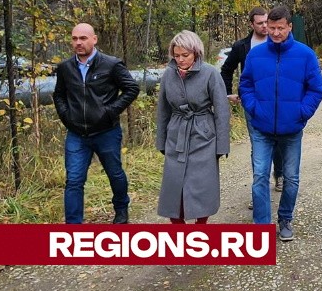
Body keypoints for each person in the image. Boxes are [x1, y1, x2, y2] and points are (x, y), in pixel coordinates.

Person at [239, 5, 322, 241]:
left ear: (289, 27)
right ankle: (261, 225)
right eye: (271, 27)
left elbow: (316, 89)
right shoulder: (255, 55)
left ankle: (285, 219)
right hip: (261, 128)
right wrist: (254, 108)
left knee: (291, 177)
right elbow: (245, 85)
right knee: (259, 176)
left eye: (280, 28)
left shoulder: (305, 54)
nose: (275, 33)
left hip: (291, 129)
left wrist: (301, 112)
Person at [53, 23, 140, 224]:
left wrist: (109, 111)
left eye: (83, 38)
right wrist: (67, 116)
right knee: (74, 180)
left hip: (106, 132)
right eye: (75, 38)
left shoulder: (111, 64)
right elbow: (59, 95)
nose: (78, 43)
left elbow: (131, 89)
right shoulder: (65, 68)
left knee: (115, 173)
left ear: (94, 39)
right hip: (77, 134)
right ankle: (73, 224)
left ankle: (121, 208)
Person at [156, 31, 231, 223]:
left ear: (196, 53)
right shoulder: (168, 75)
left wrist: (222, 145)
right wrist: (162, 141)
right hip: (176, 134)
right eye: (176, 55)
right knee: (174, 189)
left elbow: (222, 110)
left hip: (203, 136)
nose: (180, 59)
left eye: (185, 55)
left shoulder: (210, 73)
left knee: (201, 187)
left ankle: (201, 229)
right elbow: (163, 110)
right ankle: (179, 234)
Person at [220, 7, 284, 198]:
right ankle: (259, 189)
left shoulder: (279, 40)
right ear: (251, 24)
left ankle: (279, 174)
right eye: (260, 23)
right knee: (258, 144)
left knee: (279, 141)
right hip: (251, 103)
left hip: (277, 102)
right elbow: (226, 69)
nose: (265, 26)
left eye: (266, 22)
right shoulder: (242, 46)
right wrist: (228, 93)